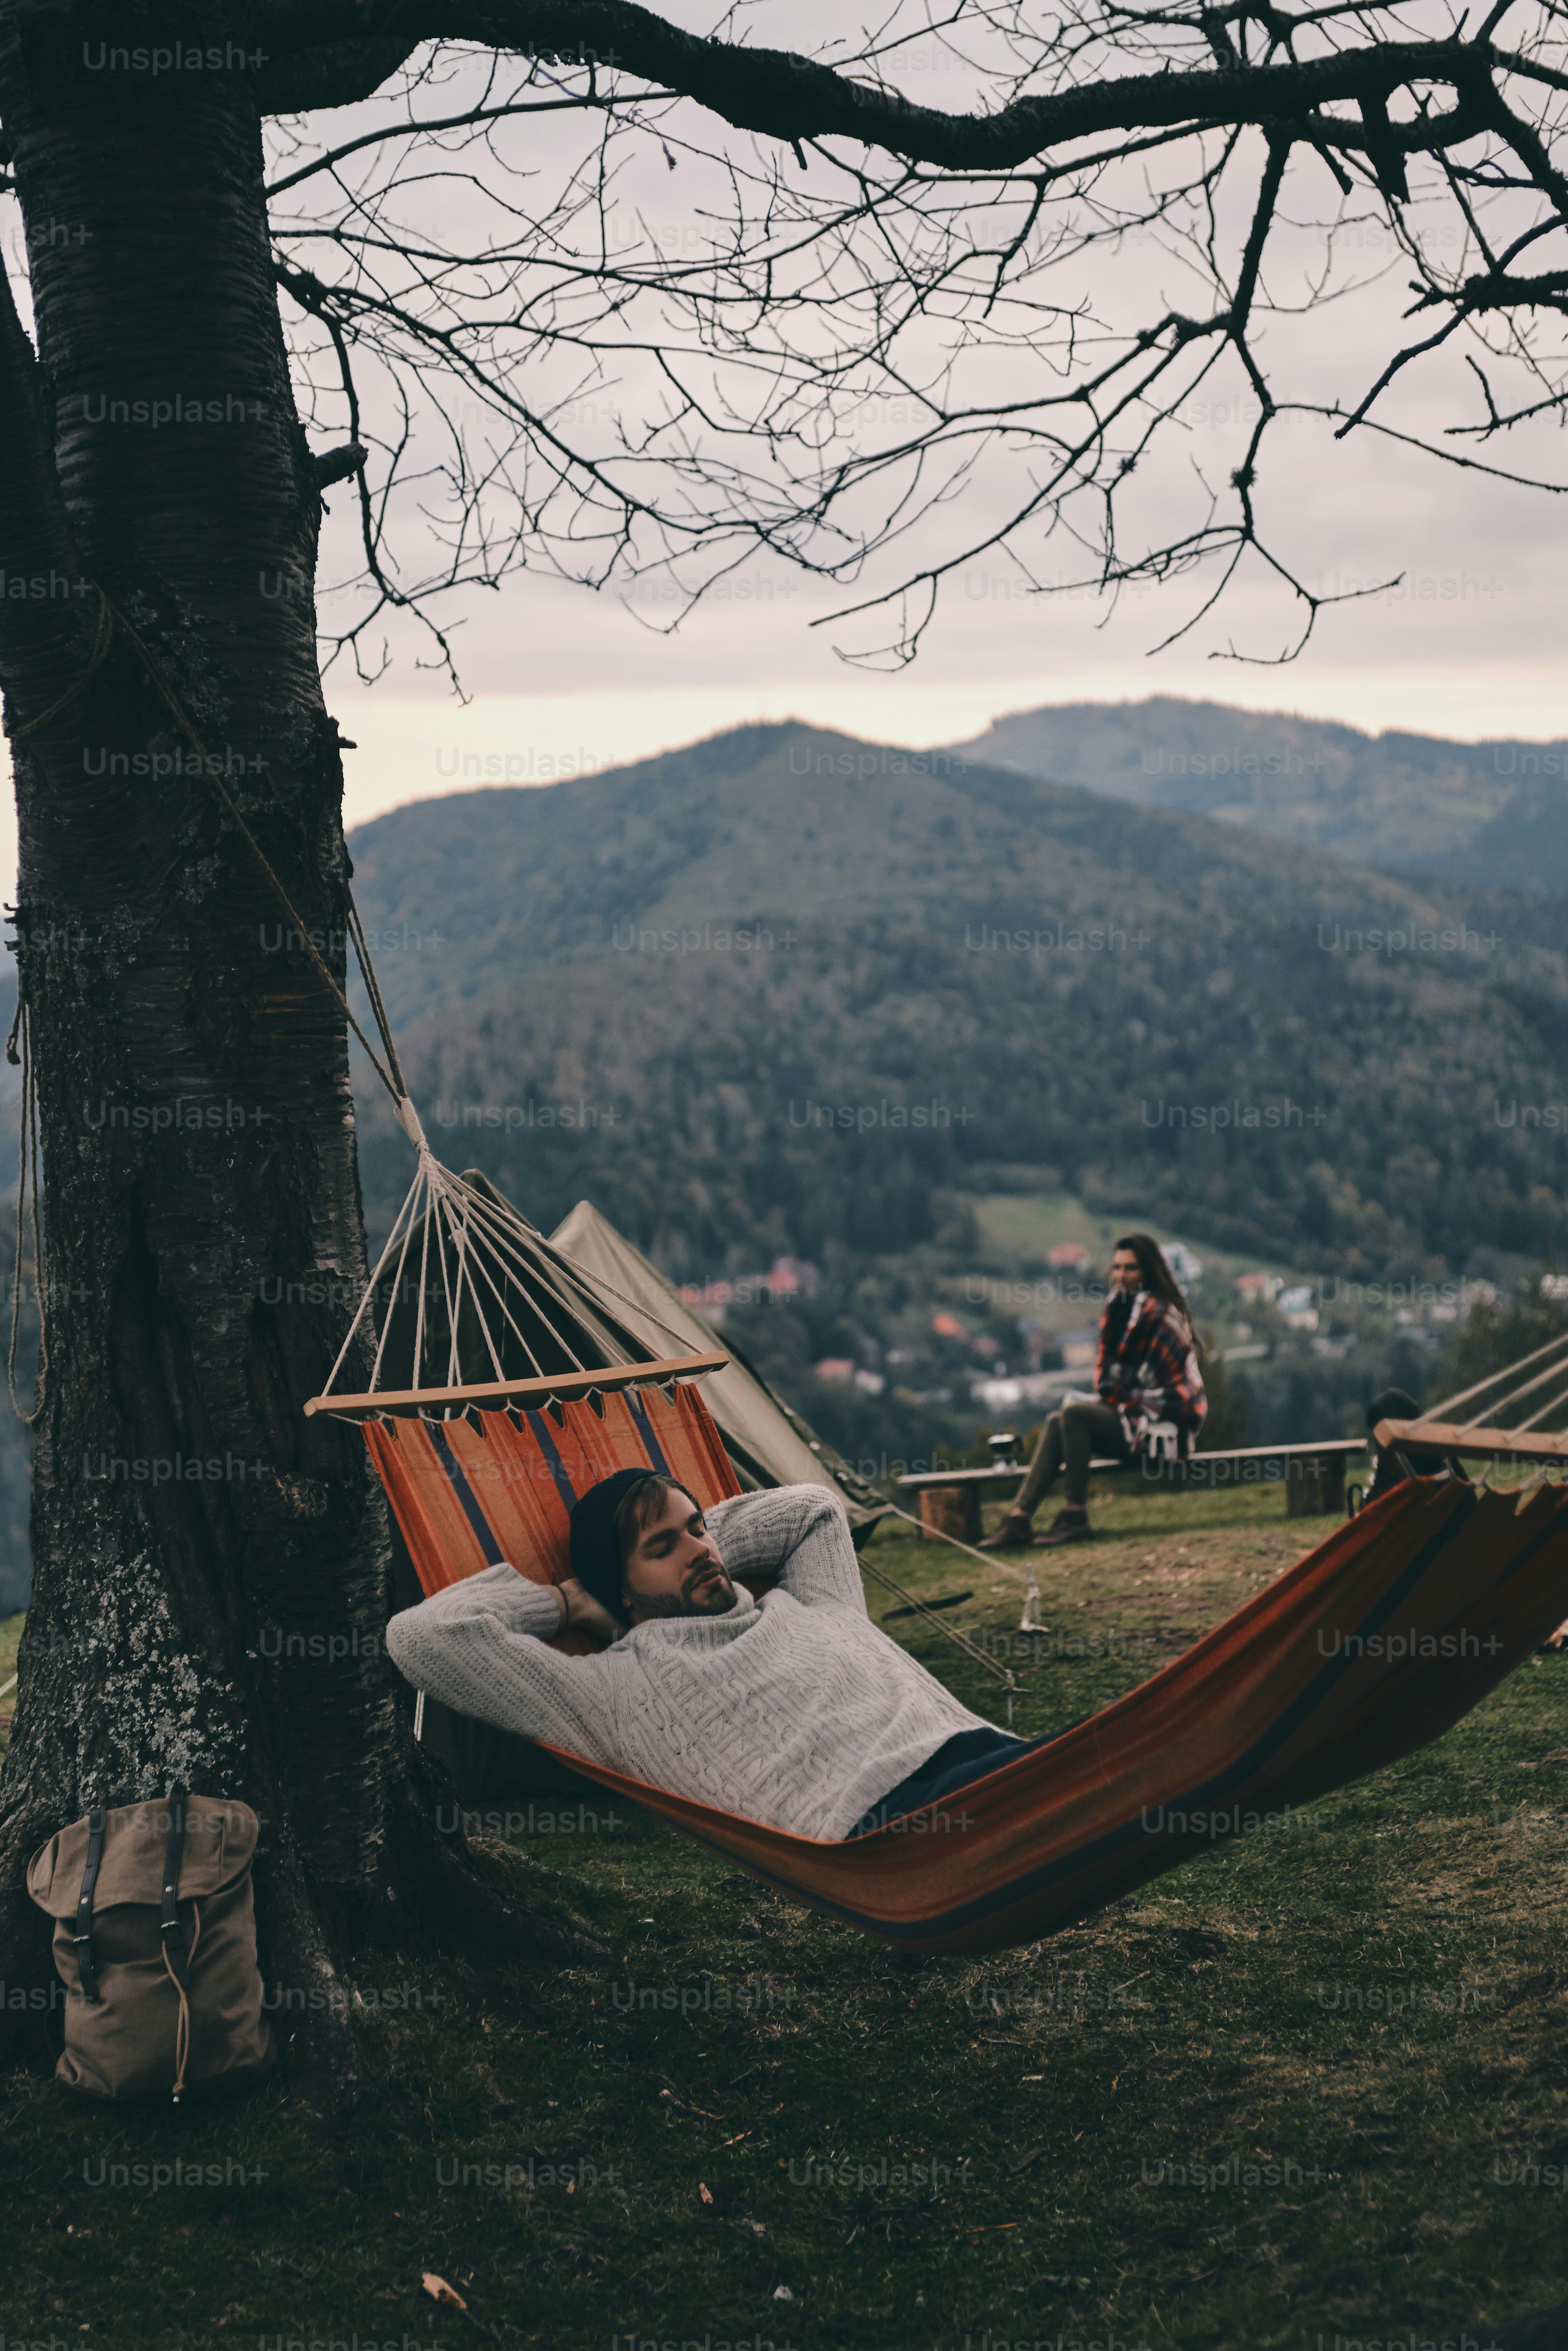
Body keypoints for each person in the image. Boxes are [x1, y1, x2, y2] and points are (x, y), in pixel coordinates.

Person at [385, 1470, 1044, 1841]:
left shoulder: (812, 1598)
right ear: (620, 1585)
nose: (699, 1549)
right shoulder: (614, 1692)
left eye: (697, 1527)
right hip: (887, 1834)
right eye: (661, 1546)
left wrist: (690, 1538)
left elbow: (814, 1509)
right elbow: (423, 1636)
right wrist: (565, 1603)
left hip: (994, 1761)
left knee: (1112, 1763)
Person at [980, 1233, 1207, 1550]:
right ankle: (1018, 1519)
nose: (1121, 1276)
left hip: (1166, 1429)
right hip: (1133, 1416)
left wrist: (1115, 1394)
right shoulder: (1118, 1307)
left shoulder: (1155, 1313)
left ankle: (1075, 1515)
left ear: (1148, 1271)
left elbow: (1125, 1385)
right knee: (1058, 1419)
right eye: (1116, 1268)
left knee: (1073, 1414)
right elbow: (1108, 1381)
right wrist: (1114, 1394)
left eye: (1131, 1269)